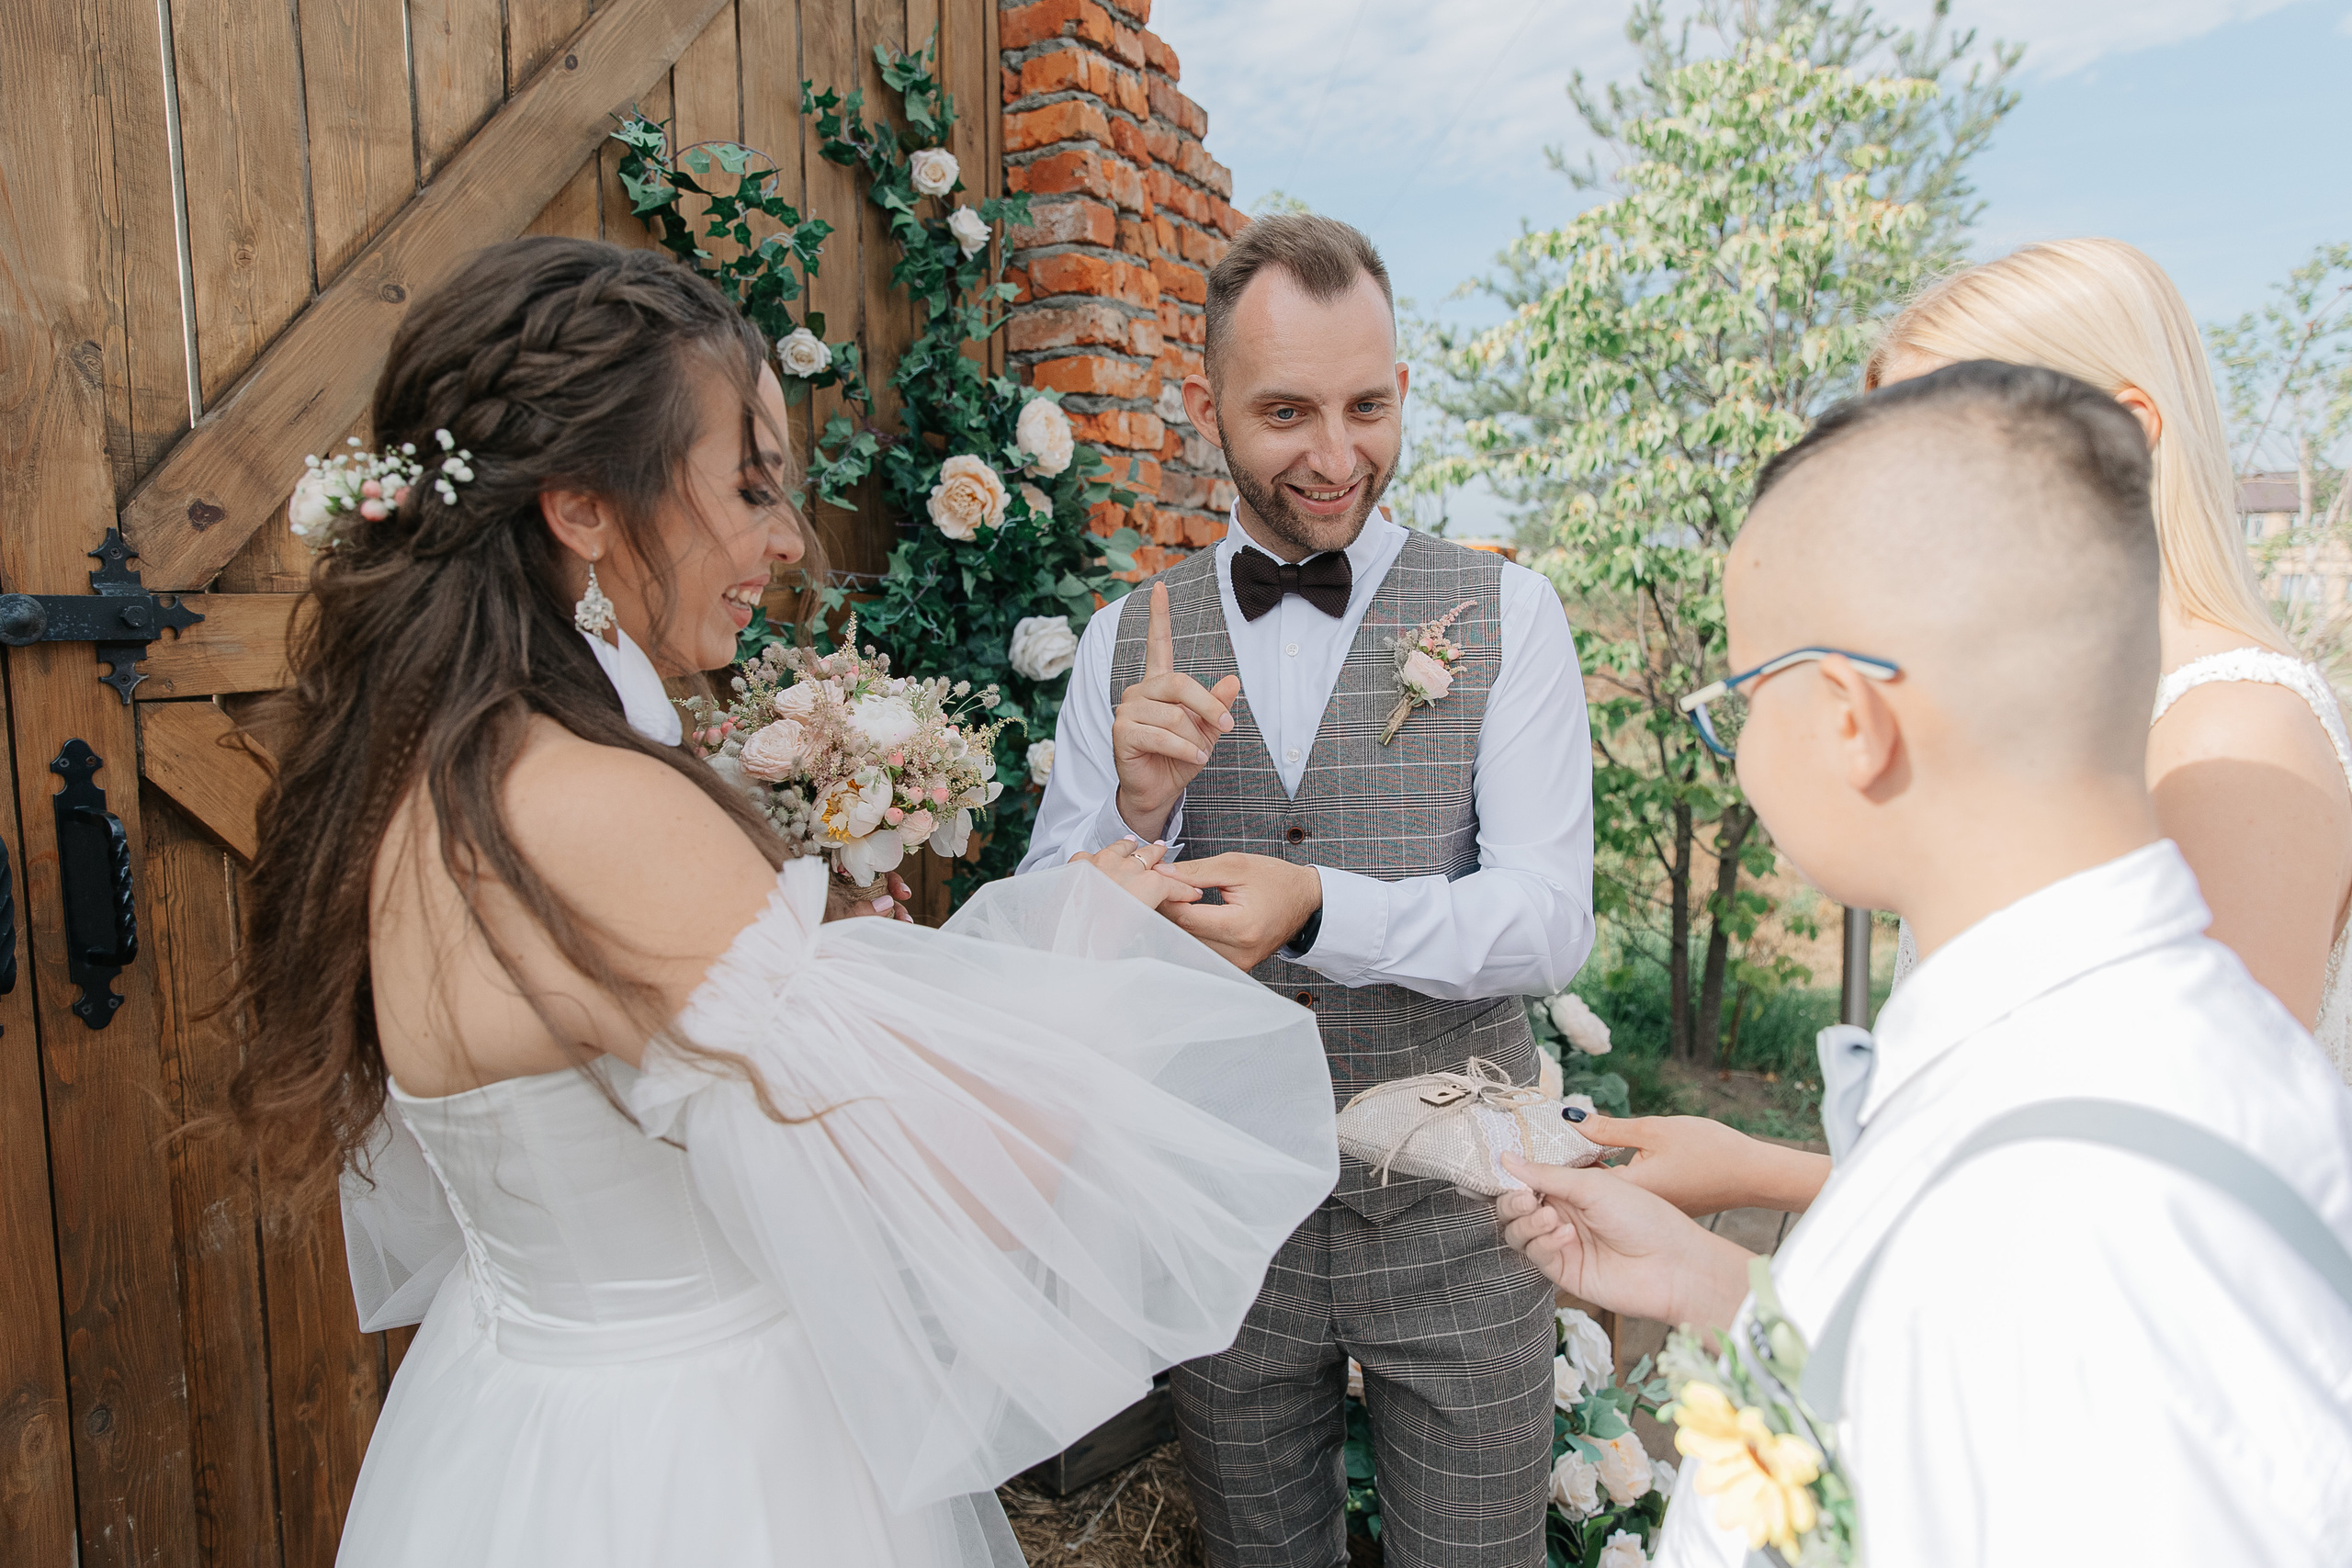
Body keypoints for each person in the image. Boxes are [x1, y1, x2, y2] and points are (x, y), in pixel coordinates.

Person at [224, 236, 1342, 1568]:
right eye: (749, 486)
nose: (785, 538)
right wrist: (1092, 937)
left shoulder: (412, 773)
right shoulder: (600, 807)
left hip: (507, 1426)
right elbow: (967, 1192)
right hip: (704, 1468)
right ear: (581, 508)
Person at [1499, 362, 2352, 1565]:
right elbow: (1975, 1404)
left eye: (1741, 699)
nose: (1735, 752)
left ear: (1852, 718)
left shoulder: (2105, 1194)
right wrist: (1722, 1284)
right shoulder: (2094, 1048)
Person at [1022, 213, 1598, 1567]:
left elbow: (1545, 920)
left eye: (1368, 405)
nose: (1336, 456)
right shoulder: (1125, 637)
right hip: (1224, 1221)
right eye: (1286, 411)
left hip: (1465, 1211)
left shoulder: (1512, 616)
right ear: (1205, 402)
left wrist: (1320, 905)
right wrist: (1137, 812)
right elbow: (1048, 927)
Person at [1589, 236, 2352, 1224]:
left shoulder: (2232, 737)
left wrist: (1732, 1268)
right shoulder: (2037, 727)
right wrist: (1750, 1167)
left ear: (2124, 434)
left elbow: (2173, 1197)